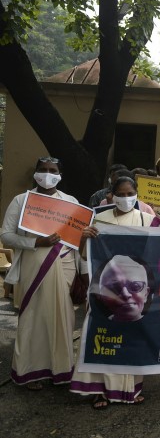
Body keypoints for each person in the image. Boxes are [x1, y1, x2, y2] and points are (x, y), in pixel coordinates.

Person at [70, 175, 160, 408]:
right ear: (111, 195)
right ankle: (100, 390)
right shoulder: (99, 220)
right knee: (101, 335)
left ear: (137, 194)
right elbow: (84, 256)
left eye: (130, 193)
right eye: (120, 194)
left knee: (132, 337)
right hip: (105, 290)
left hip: (134, 291)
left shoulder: (149, 220)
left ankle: (129, 389)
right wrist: (83, 238)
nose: (125, 198)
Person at [2, 157, 84, 390]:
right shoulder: (22, 200)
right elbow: (6, 235)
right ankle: (30, 372)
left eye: (53, 170)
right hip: (33, 263)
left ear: (60, 174)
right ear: (35, 173)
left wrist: (83, 271)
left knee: (63, 317)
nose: (48, 174)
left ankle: (60, 369)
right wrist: (35, 242)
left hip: (66, 264)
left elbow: (77, 239)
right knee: (34, 318)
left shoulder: (70, 202)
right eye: (43, 170)